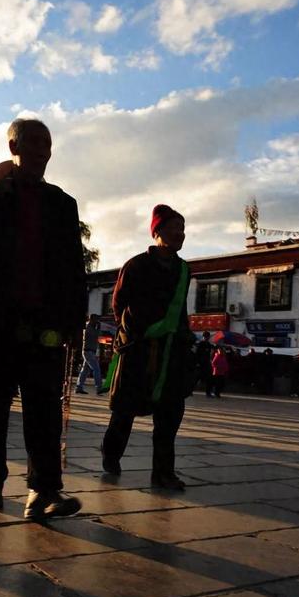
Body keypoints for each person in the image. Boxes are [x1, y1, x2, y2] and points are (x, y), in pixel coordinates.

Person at [0, 117, 87, 521]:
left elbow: (74, 270)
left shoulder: (62, 204)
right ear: (14, 147)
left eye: (48, 142)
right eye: (34, 141)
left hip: (47, 325)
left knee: (45, 409)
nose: (44, 149)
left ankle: (43, 492)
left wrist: (74, 322)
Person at [101, 204, 194, 491]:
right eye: (172, 228)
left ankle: (163, 472)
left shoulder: (183, 270)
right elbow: (118, 304)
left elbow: (180, 311)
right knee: (125, 410)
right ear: (156, 232)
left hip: (171, 350)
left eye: (182, 229)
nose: (179, 234)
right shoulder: (136, 265)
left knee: (170, 412)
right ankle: (111, 454)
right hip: (138, 347)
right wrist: (133, 332)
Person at [75, 314, 103, 395]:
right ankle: (99, 388)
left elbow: (97, 335)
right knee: (96, 369)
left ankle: (79, 387)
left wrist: (98, 327)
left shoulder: (91, 327)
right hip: (88, 352)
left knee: (85, 371)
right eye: (96, 320)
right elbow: (95, 335)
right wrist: (98, 328)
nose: (98, 321)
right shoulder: (88, 328)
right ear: (92, 320)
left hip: (90, 352)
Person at [195, 330, 214, 396]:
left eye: (207, 337)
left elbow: (209, 354)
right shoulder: (200, 344)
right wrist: (197, 362)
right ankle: (190, 390)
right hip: (200, 363)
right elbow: (197, 354)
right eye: (205, 337)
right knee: (196, 378)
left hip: (206, 363)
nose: (206, 338)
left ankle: (208, 392)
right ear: (203, 337)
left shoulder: (209, 345)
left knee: (209, 378)